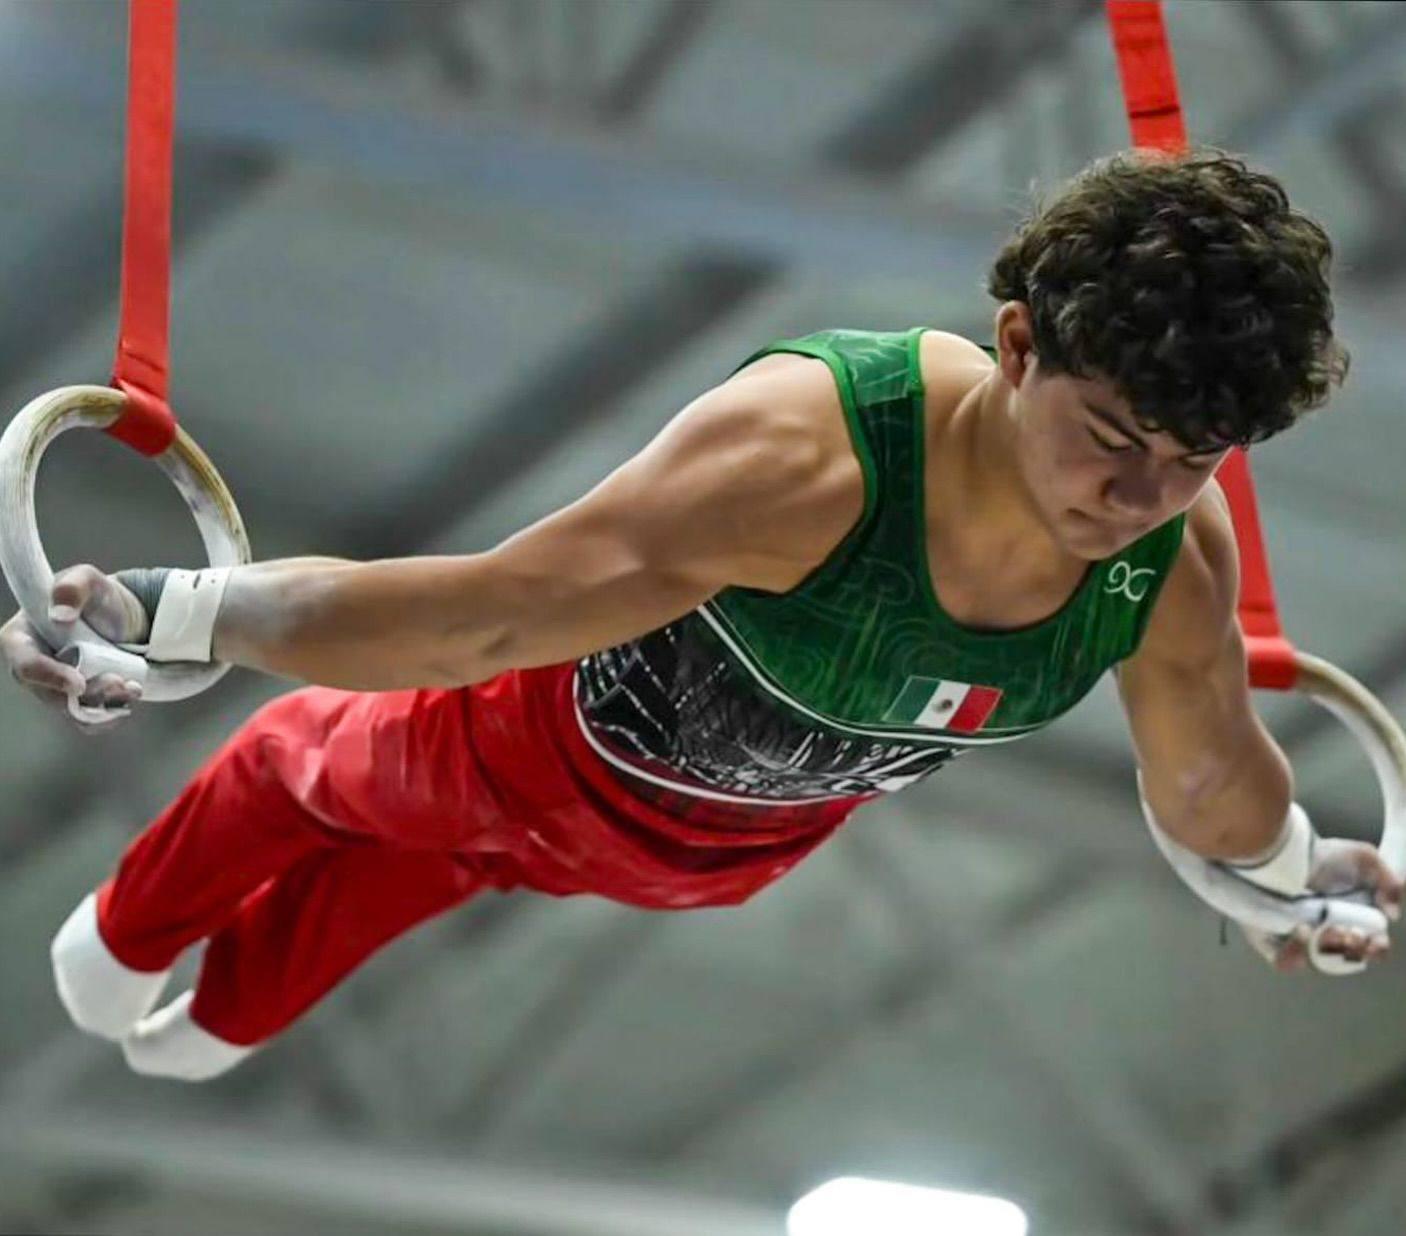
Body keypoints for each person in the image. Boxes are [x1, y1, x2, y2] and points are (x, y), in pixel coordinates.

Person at [5, 148, 1401, 1082]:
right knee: (330, 778)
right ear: (1019, 344)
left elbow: (1210, 774)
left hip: (714, 855)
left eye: (1190, 459)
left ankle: (218, 986)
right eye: (1111, 433)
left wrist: (1289, 875)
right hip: (518, 741)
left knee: (453, 872)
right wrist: (178, 610)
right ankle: (132, 920)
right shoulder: (805, 458)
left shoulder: (1170, 559)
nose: (1137, 495)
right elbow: (483, 620)